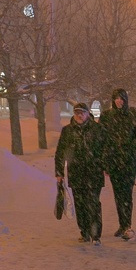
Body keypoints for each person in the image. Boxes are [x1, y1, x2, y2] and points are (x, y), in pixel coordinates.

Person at [55, 102, 105, 243]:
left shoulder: (97, 129)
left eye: (82, 113)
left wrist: (105, 166)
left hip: (94, 172)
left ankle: (95, 235)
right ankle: (84, 232)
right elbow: (60, 152)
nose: (79, 115)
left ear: (88, 114)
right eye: (77, 113)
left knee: (94, 204)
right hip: (76, 173)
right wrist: (59, 172)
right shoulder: (68, 131)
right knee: (80, 204)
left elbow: (106, 149)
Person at [99, 88, 136, 240]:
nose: (119, 101)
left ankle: (127, 225)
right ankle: (122, 224)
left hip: (128, 161)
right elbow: (101, 139)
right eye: (116, 98)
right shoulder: (107, 116)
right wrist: (105, 161)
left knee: (127, 194)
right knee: (118, 195)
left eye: (122, 98)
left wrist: (130, 147)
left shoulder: (132, 115)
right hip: (113, 161)